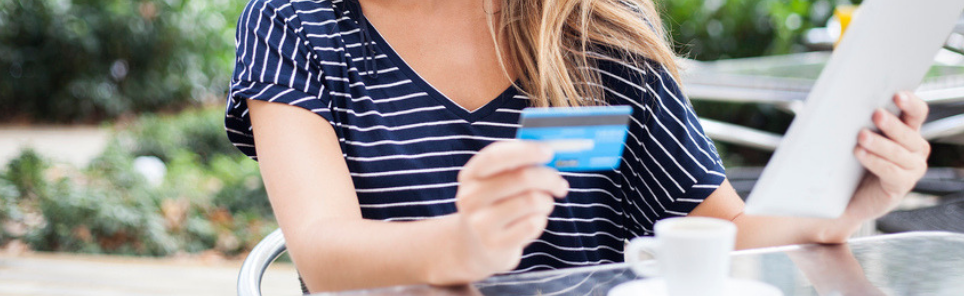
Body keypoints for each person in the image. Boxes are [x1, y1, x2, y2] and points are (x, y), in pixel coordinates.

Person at [224, 0, 931, 292]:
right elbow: (323, 249)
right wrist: (465, 246)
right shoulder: (294, 22)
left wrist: (839, 211)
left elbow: (722, 233)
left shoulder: (595, 22)